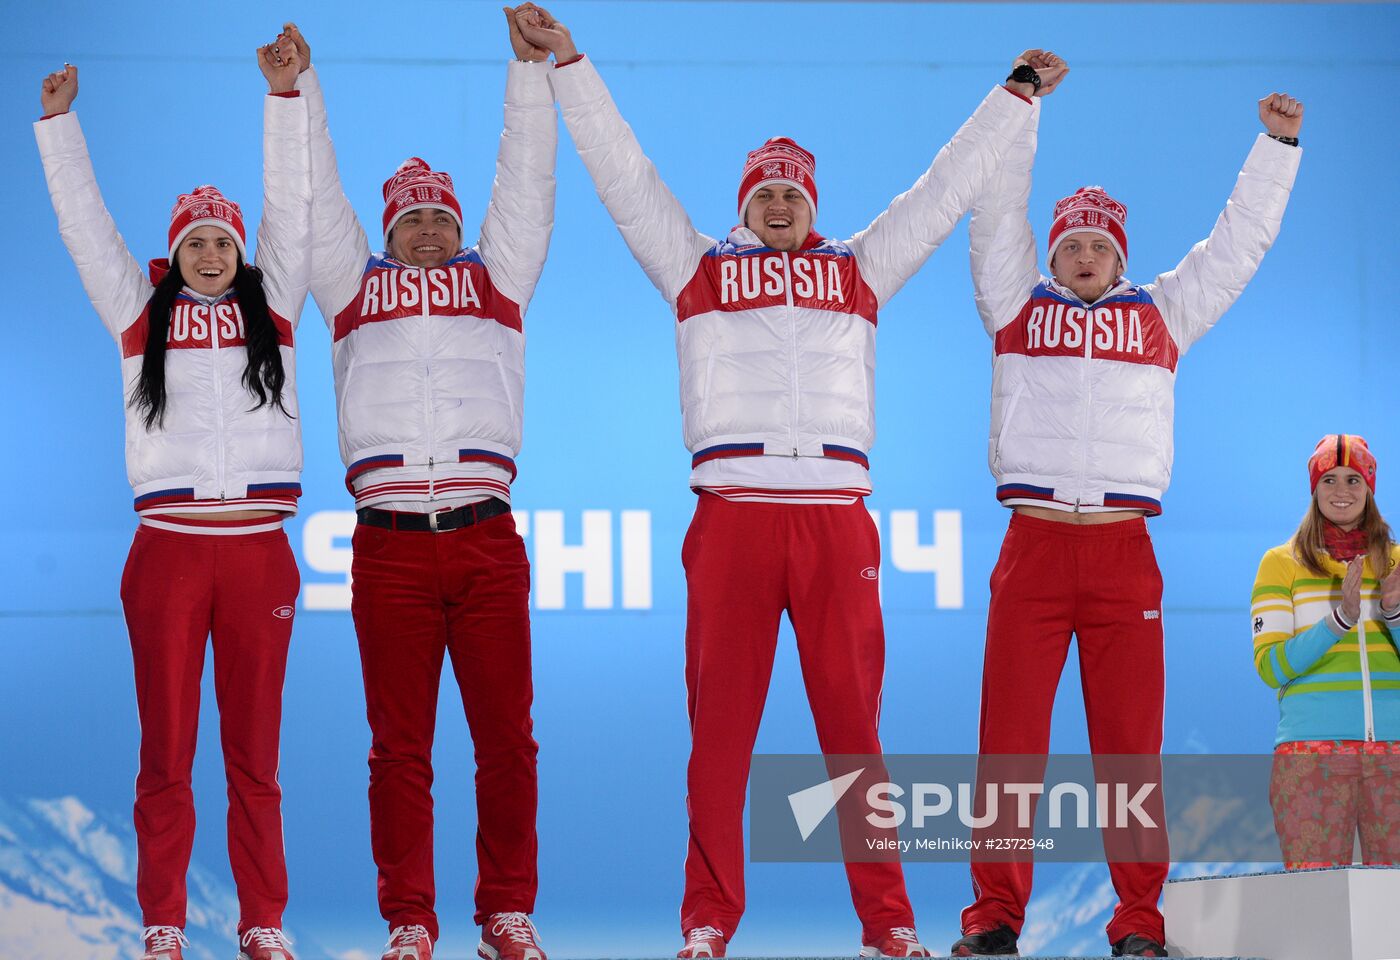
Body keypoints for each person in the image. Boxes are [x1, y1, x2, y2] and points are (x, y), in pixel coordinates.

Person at [512, 8, 1062, 956]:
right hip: (731, 520)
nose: (778, 205)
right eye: (764, 192)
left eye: (793, 194)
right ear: (743, 204)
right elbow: (622, 172)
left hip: (835, 522)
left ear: (814, 204)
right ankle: (705, 924)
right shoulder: (695, 267)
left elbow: (943, 192)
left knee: (854, 734)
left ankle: (888, 926)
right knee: (720, 738)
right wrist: (569, 66)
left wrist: (1014, 97)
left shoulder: (860, 269)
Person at [955, 88, 1305, 958]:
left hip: (1122, 555)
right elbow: (995, 212)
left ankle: (1139, 924)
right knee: (1008, 749)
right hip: (1032, 548)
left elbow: (1235, 249)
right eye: (1068, 243)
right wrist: (1022, 106)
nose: (1080, 257)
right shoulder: (1014, 308)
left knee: (1128, 755)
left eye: (1096, 246)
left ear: (1120, 257)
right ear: (1051, 252)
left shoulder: (1162, 316)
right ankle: (996, 919)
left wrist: (1276, 146)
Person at [265, 14, 555, 960]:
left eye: (440, 216)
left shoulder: (498, 278)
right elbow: (314, 198)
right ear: (388, 231)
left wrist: (526, 72)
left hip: (485, 535)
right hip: (386, 541)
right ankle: (410, 920)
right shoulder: (351, 284)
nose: (427, 229)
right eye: (411, 218)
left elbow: (526, 185)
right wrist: (298, 92)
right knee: (400, 750)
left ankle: (507, 912)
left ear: (461, 228)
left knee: (506, 740)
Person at [35, 45, 311, 960]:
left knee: (255, 759)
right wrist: (60, 128)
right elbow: (85, 227)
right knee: (168, 753)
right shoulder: (137, 310)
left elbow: (292, 205)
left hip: (259, 551)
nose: (209, 254)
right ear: (174, 251)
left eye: (222, 241)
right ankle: (162, 925)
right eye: (194, 241)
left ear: (241, 251)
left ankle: (264, 923)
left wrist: (283, 96)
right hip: (168, 551)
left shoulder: (275, 314)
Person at [1252, 435, 1400, 870]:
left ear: (1370, 488)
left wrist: (1393, 613)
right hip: (1310, 757)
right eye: (1330, 479)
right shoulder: (1281, 563)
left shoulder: (1397, 563)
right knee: (1315, 904)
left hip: (1395, 752)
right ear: (1314, 488)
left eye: (1354, 479)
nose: (1342, 491)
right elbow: (1271, 666)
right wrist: (1337, 622)